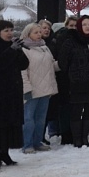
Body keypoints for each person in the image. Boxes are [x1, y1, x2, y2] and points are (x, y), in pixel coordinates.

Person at [58, 15, 89, 147]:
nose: (87, 27)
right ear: (79, 27)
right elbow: (63, 62)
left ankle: (84, 138)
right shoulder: (71, 41)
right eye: (84, 24)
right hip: (77, 82)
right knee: (77, 111)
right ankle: (76, 139)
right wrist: (74, 73)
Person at [0, 20, 29, 169]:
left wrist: (19, 51)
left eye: (11, 30)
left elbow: (24, 65)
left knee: (9, 123)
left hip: (12, 92)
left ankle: (4, 152)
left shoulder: (12, 46)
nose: (10, 33)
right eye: (6, 30)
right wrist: (11, 51)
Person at [20, 23, 58, 153]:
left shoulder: (44, 47)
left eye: (39, 32)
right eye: (35, 32)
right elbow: (22, 71)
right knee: (28, 118)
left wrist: (64, 62)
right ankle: (27, 144)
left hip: (45, 88)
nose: (39, 34)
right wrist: (26, 89)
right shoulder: (23, 49)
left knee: (41, 118)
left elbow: (52, 65)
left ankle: (37, 142)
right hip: (31, 89)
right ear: (28, 34)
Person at [51, 15, 77, 145]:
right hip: (63, 77)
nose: (73, 28)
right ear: (66, 26)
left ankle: (74, 132)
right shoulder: (60, 39)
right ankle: (65, 134)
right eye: (71, 25)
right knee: (65, 107)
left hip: (77, 78)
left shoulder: (79, 40)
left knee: (75, 107)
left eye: (75, 26)